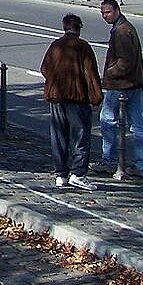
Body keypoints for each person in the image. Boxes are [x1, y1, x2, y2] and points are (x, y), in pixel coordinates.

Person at [39, 13, 103, 189]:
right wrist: (96, 97)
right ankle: (78, 173)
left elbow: (45, 68)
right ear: (79, 27)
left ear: (63, 26)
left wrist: (55, 81)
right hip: (77, 97)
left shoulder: (56, 46)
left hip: (56, 96)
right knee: (80, 135)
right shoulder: (83, 47)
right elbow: (90, 74)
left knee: (59, 136)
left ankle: (61, 174)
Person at [96, 0, 143, 178]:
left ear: (117, 10)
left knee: (108, 120)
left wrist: (109, 74)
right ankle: (142, 166)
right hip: (135, 83)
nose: (105, 16)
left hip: (121, 84)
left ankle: (110, 161)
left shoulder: (122, 31)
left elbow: (125, 62)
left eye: (108, 12)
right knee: (137, 124)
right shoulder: (124, 27)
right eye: (103, 13)